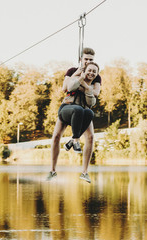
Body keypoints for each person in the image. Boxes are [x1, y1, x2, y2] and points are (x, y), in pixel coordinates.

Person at [47, 48, 101, 183]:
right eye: (86, 59)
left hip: (84, 108)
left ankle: (85, 172)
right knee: (56, 136)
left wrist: (80, 85)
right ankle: (52, 170)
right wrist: (79, 77)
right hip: (68, 106)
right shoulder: (72, 71)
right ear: (81, 59)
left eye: (91, 60)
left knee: (91, 137)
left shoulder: (95, 75)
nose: (88, 62)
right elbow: (65, 88)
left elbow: (95, 93)